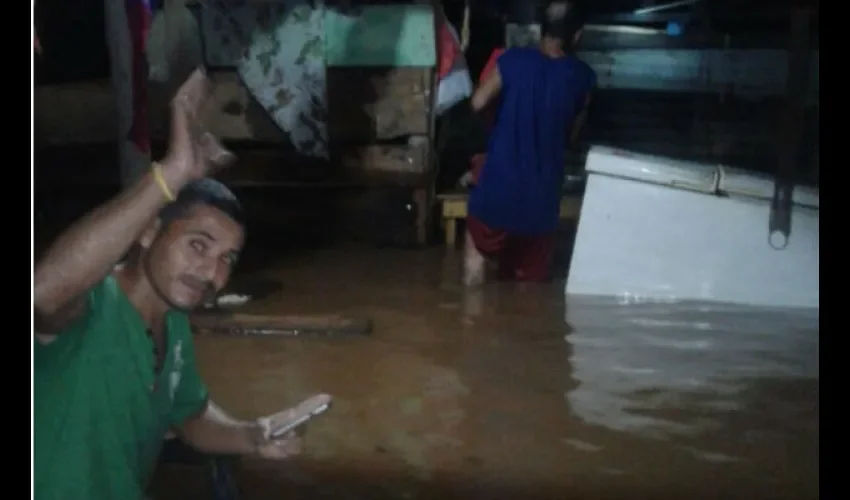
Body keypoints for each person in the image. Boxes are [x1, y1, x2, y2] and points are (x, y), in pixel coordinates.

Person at [34, 69, 302, 500]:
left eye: (227, 259)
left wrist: (254, 434)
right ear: (148, 232)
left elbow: (190, 415)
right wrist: (171, 174)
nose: (211, 273)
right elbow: (43, 294)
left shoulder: (174, 324)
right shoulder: (91, 302)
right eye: (198, 245)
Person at [463, 1, 596, 285]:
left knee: (476, 260)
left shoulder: (511, 61)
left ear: (541, 30)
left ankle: (470, 310)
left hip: (497, 195)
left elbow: (476, 104)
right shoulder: (583, 78)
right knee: (529, 289)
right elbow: (572, 135)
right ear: (577, 36)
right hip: (542, 205)